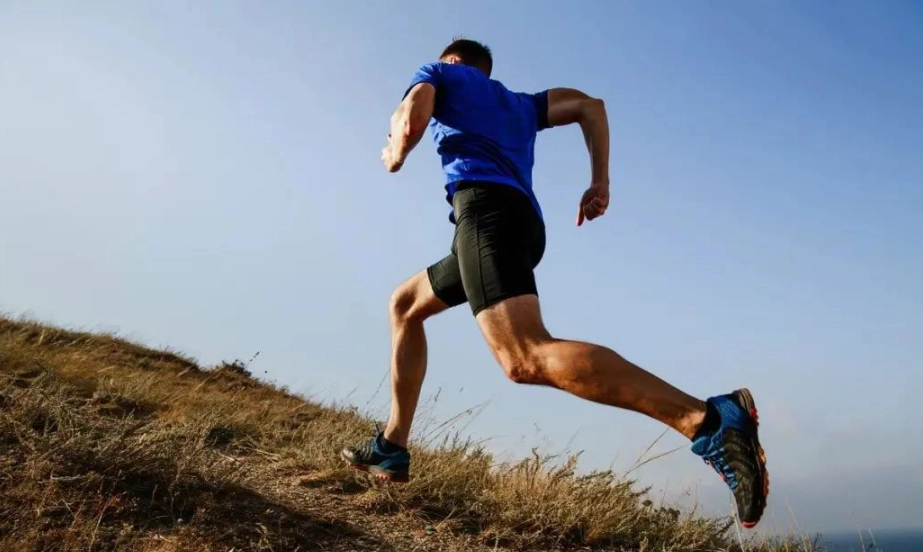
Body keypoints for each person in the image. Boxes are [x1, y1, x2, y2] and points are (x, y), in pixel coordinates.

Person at [341, 38, 769, 528]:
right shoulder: (523, 105)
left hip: (486, 217)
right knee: (405, 304)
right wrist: (600, 179)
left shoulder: (440, 73)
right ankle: (393, 446)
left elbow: (411, 116)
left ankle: (708, 421)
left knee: (523, 356)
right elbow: (591, 106)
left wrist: (396, 148)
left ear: (453, 61)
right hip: (519, 226)